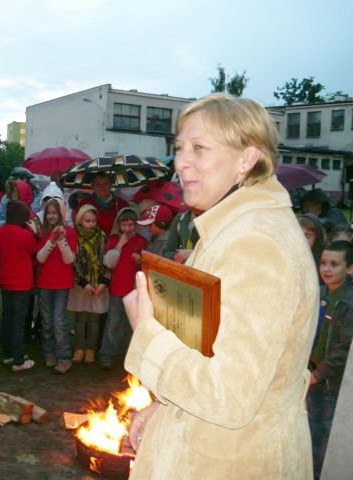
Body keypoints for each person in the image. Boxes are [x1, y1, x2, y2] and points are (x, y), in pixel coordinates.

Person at [123, 94, 318, 479]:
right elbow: (214, 352)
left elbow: (229, 396)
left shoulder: (257, 245)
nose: (180, 162)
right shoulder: (231, 228)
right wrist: (162, 407)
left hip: (232, 462)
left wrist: (147, 333)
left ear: (246, 159)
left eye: (199, 148)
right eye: (179, 148)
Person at [308, 240, 353, 478]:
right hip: (311, 377)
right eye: (323, 262)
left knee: (326, 432)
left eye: (334, 264)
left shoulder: (349, 302)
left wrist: (319, 373)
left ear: (349, 268)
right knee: (311, 428)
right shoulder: (320, 292)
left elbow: (344, 348)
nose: (326, 268)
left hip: (332, 383)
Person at [0, 200, 38, 372]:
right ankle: (19, 360)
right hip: (21, 283)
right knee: (19, 322)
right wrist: (35, 233)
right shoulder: (24, 234)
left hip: (5, 280)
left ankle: (8, 354)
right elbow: (33, 250)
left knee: (7, 318)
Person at [100, 207, 146, 369]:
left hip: (133, 290)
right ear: (119, 225)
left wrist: (140, 260)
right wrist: (119, 246)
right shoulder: (114, 240)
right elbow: (108, 263)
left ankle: (125, 354)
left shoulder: (141, 241)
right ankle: (106, 354)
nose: (127, 229)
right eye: (124, 225)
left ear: (136, 225)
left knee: (129, 324)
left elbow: (146, 265)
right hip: (117, 289)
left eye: (130, 225)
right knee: (113, 322)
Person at [36, 198, 77, 374]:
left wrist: (61, 240)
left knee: (59, 321)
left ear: (61, 214)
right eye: (49, 213)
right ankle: (49, 352)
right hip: (45, 283)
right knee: (46, 321)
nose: (52, 216)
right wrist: (51, 240)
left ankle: (64, 357)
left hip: (61, 284)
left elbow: (69, 259)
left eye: (55, 213)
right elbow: (40, 258)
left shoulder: (70, 232)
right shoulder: (42, 232)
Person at [67, 204, 110, 365]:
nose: (91, 224)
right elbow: (74, 262)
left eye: (93, 220)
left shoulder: (102, 236)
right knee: (80, 318)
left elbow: (105, 259)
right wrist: (83, 282)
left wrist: (102, 282)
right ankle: (79, 348)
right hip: (81, 284)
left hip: (98, 283)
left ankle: (91, 349)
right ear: (80, 220)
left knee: (94, 319)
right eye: (87, 221)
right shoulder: (75, 237)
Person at [76, 172, 128, 236]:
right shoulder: (84, 204)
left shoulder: (122, 204)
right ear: (93, 186)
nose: (102, 187)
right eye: (97, 184)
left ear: (111, 185)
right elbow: (78, 228)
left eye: (105, 183)